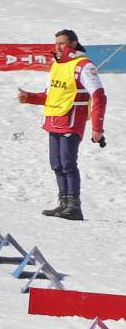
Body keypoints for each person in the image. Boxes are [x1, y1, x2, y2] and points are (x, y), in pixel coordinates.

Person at [18, 29, 107, 221]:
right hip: (53, 120)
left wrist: (97, 128)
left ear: (73, 44)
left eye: (62, 43)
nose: (57, 47)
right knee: (56, 164)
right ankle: (64, 203)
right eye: (56, 43)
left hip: (71, 121)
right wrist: (30, 98)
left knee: (68, 164)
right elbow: (52, 95)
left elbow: (99, 96)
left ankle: (74, 206)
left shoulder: (83, 66)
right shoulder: (57, 65)